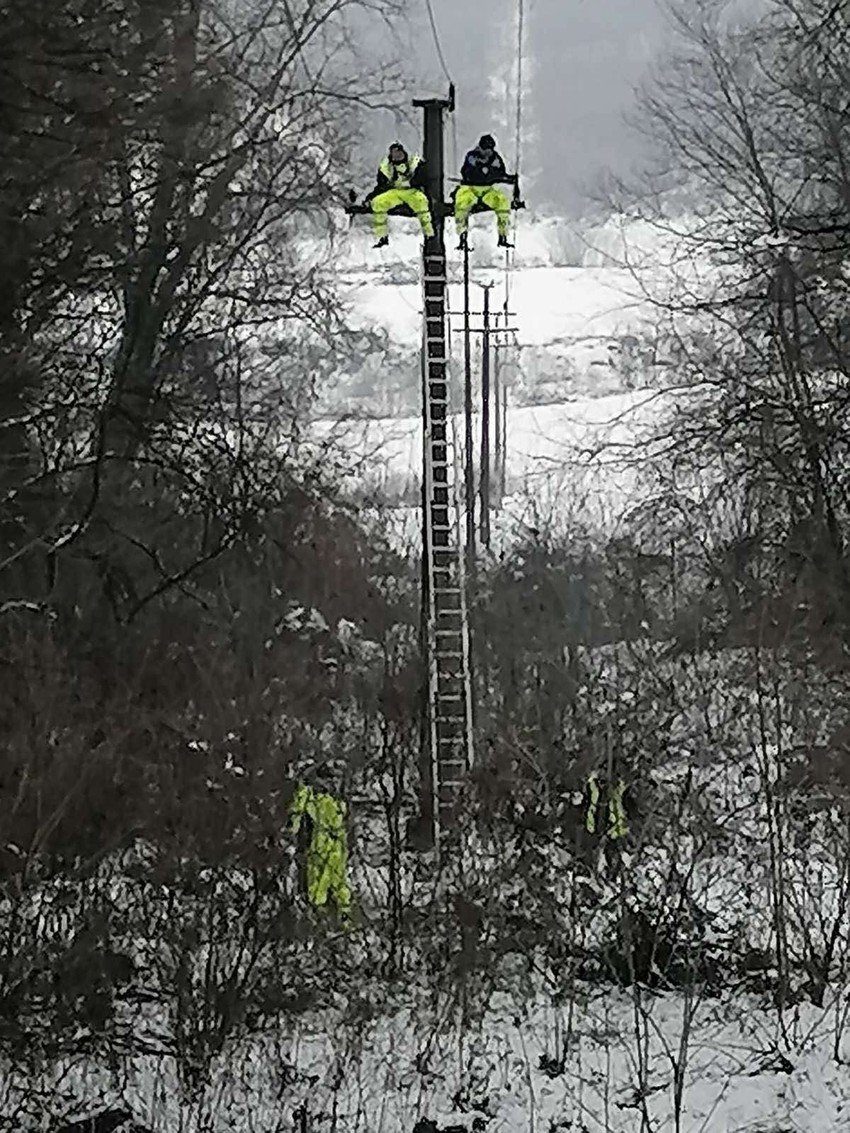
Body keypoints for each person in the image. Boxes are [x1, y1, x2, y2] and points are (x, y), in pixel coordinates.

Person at [289, 778, 353, 925]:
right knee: (329, 878)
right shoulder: (321, 799)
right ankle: (329, 916)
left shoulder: (318, 799)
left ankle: (332, 915)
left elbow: (296, 815)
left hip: (329, 843)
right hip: (329, 842)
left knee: (329, 877)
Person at [366, 142, 435, 248]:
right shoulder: (386, 167)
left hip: (412, 191)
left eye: (398, 153)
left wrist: (416, 182)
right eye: (394, 154)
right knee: (378, 203)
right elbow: (381, 185)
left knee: (422, 202)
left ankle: (429, 233)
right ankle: (382, 236)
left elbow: (424, 179)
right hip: (395, 191)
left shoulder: (414, 162)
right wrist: (371, 197)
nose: (396, 156)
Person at [455, 134, 517, 248]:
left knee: (502, 202)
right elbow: (468, 173)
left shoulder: (495, 158)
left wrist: (509, 178)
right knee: (462, 204)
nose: (488, 153)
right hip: (470, 188)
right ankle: (462, 238)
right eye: (485, 149)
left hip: (488, 189)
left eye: (490, 149)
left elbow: (501, 173)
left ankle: (502, 236)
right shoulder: (472, 156)